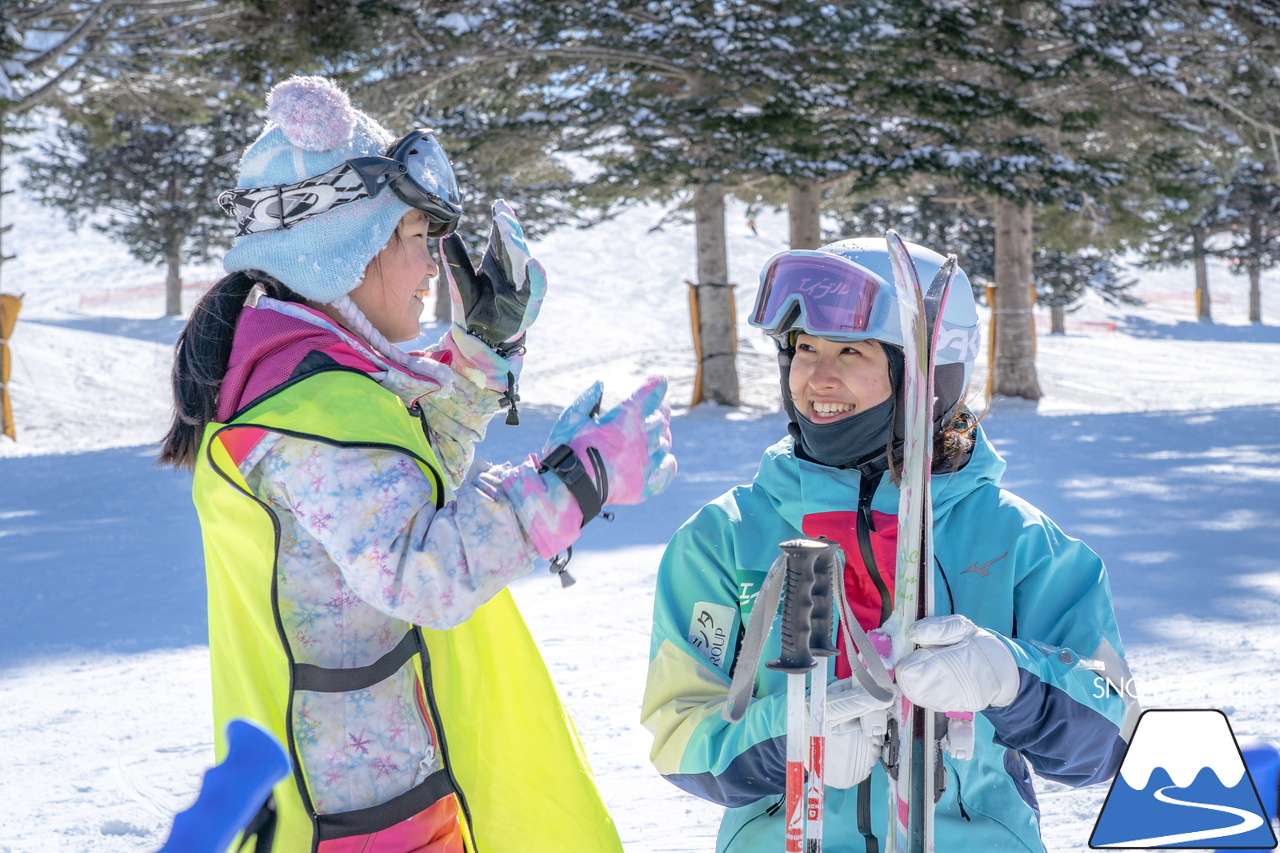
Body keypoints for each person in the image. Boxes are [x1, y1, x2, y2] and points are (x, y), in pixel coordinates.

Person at [160, 75, 676, 853]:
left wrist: (480, 356)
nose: (433, 265)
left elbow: (398, 481)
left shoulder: (301, 383)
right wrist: (575, 480)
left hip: (368, 798)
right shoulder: (310, 416)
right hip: (366, 823)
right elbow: (420, 568)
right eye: (414, 236)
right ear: (347, 251)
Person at [640, 237, 1138, 852]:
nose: (818, 376)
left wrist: (1012, 678)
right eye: (804, 349)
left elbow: (1112, 738)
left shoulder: (1021, 542)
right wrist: (793, 737)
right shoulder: (722, 540)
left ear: (926, 374)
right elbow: (679, 737)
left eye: (851, 350)